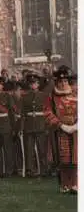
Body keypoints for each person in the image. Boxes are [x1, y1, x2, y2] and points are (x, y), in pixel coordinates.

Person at [44, 66, 77, 194]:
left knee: (76, 158)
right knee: (63, 158)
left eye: (65, 82)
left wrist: (76, 125)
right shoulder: (51, 97)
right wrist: (61, 125)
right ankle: (65, 184)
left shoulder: (76, 94)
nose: (63, 84)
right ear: (56, 83)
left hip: (76, 131)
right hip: (60, 130)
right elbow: (47, 112)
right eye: (60, 82)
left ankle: (75, 184)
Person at [20, 73, 49, 177]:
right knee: (29, 149)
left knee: (42, 149)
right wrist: (22, 127)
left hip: (41, 124)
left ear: (38, 84)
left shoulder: (44, 96)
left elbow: (47, 112)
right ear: (29, 85)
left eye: (35, 83)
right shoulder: (25, 97)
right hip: (29, 125)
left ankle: (44, 170)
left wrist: (47, 126)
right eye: (31, 83)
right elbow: (22, 113)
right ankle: (30, 170)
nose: (33, 85)